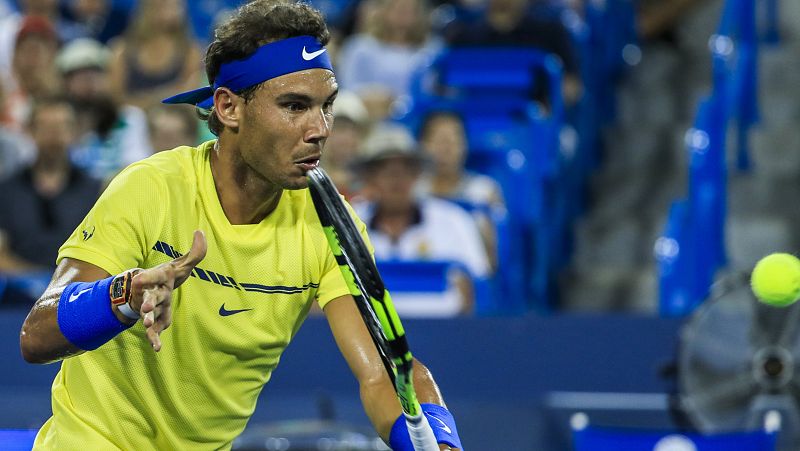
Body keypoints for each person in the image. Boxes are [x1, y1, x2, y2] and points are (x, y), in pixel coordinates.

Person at [19, 2, 462, 450]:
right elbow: (36, 335)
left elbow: (386, 373)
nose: (320, 129)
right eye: (294, 106)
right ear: (229, 108)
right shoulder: (149, 187)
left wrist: (439, 442)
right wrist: (124, 296)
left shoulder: (331, 224)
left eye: (326, 107)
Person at [351, 123, 491, 314]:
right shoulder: (348, 222)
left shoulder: (455, 221)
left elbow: (476, 287)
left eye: (405, 169)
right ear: (369, 178)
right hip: (366, 334)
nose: (396, 179)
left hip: (445, 332)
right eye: (385, 170)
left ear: (417, 174)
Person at [0, 97, 101, 302]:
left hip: (78, 295)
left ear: (74, 132)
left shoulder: (95, 190)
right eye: (46, 128)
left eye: (61, 127)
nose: (54, 137)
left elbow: (102, 252)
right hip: (17, 297)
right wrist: (33, 280)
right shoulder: (7, 190)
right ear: (30, 131)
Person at [416, 110, 504, 271]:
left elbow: (493, 260)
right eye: (437, 140)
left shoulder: (484, 192)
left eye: (453, 140)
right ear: (422, 145)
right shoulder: (413, 190)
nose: (445, 149)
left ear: (465, 145)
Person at [57, 38, 152, 181]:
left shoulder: (129, 118)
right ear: (65, 82)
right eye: (80, 76)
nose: (89, 83)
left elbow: (137, 166)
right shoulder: (57, 121)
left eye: (96, 74)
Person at [107, 0, 202, 110]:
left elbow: (190, 97)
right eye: (163, 5)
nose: (172, 10)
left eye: (176, 6)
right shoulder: (122, 50)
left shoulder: (190, 51)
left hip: (175, 120)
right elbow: (115, 99)